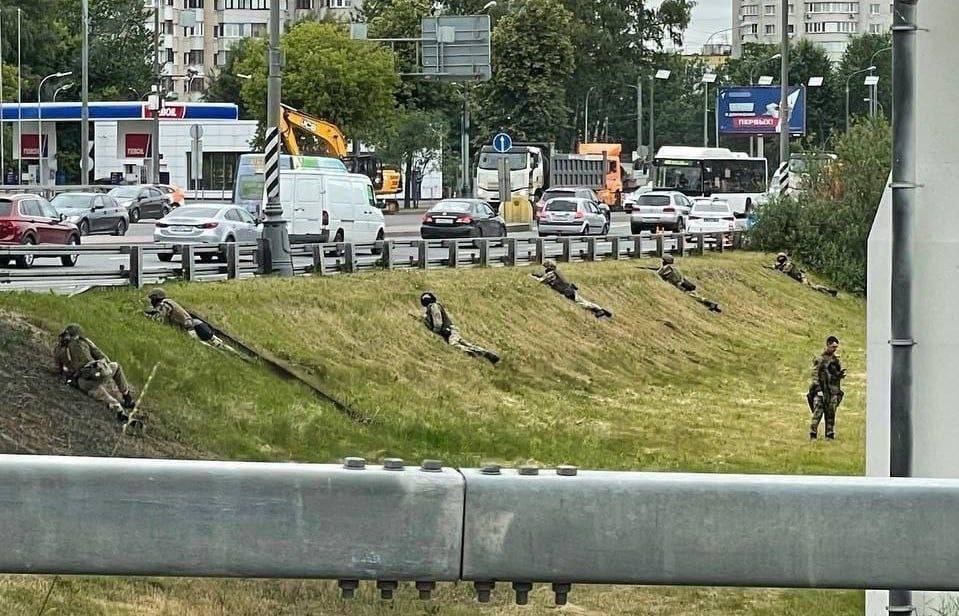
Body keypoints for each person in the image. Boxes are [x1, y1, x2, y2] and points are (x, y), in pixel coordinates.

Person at [54, 323, 135, 420]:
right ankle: (127, 398)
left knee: (102, 394)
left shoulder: (61, 350)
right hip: (100, 371)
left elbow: (59, 369)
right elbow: (101, 355)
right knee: (116, 366)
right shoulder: (85, 341)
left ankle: (118, 409)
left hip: (83, 380)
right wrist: (104, 366)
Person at [145, 288, 241, 355]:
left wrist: (146, 316)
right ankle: (239, 355)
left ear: (155, 297)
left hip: (190, 330)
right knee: (219, 344)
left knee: (209, 348)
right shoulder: (170, 302)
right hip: (197, 324)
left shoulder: (164, 305)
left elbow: (158, 319)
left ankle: (227, 357)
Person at [417, 292, 500, 365]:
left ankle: (473, 353)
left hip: (449, 331)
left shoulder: (434, 306)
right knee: (466, 344)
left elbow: (438, 323)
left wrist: (434, 332)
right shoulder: (434, 307)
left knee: (454, 344)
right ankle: (486, 353)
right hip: (452, 330)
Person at [530, 259, 612, 319]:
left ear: (550, 267)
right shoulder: (556, 272)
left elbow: (541, 281)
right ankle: (599, 310)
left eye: (546, 267)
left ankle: (599, 310)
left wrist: (531, 277)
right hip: (569, 289)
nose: (545, 269)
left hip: (567, 291)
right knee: (582, 302)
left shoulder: (551, 274)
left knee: (581, 304)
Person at [653, 254, 722, 313]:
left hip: (682, 287)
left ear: (665, 261)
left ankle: (712, 304)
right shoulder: (673, 268)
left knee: (696, 297)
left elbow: (662, 275)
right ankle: (712, 305)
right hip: (685, 284)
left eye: (663, 260)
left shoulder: (668, 269)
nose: (662, 261)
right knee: (696, 297)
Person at [809, 335, 846, 440]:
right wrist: (818, 389)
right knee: (818, 413)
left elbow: (835, 373)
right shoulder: (820, 359)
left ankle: (829, 434)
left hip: (833, 390)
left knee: (831, 413)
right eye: (833, 347)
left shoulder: (835, 359)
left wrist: (839, 375)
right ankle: (813, 434)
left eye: (836, 347)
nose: (834, 349)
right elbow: (815, 375)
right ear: (828, 345)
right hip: (821, 390)